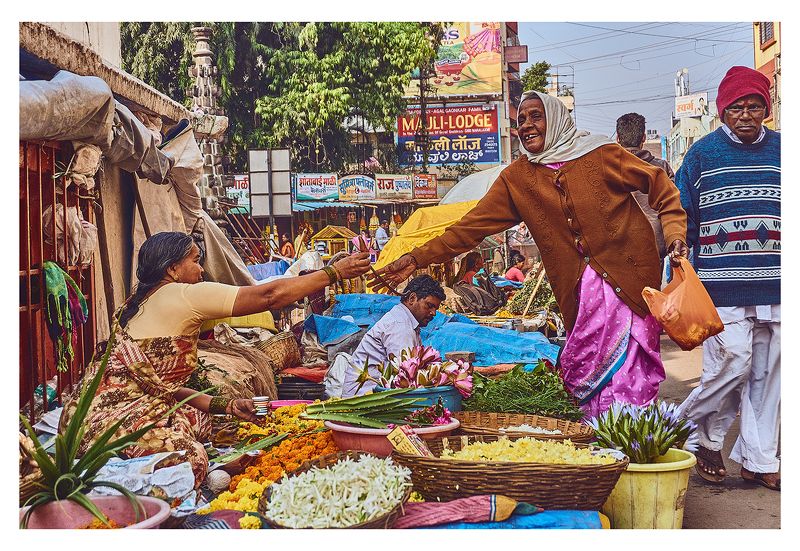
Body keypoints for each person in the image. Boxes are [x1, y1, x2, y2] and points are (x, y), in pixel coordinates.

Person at [371, 90, 689, 418]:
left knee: (630, 373)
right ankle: (599, 437)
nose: (526, 125)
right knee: (586, 374)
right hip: (579, 297)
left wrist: (675, 234)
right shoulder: (517, 178)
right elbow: (468, 228)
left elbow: (661, 185)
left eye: (536, 116)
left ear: (556, 119)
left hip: (631, 284)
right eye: (521, 119)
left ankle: (631, 438)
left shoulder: (601, 154)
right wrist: (416, 258)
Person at [58, 231, 371, 488]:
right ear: (172, 269)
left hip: (79, 421)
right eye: (195, 261)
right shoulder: (183, 293)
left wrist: (229, 406)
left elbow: (161, 389)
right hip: (106, 424)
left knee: (200, 419)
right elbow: (268, 296)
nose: (201, 270)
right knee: (192, 459)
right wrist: (333, 272)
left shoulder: (135, 302)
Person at [675, 66, 781, 491]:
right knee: (734, 362)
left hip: (777, 283)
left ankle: (760, 460)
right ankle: (684, 427)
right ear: (722, 111)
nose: (746, 114)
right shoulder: (702, 154)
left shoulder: (784, 150)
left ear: (766, 109)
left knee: (768, 376)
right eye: (736, 107)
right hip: (721, 285)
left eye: (754, 105)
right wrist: (678, 251)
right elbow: (681, 212)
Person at [340, 275, 446, 397]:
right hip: (363, 398)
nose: (433, 313)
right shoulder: (400, 325)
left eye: (435, 308)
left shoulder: (406, 321)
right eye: (429, 305)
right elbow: (407, 373)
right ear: (412, 298)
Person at [616, 112, 676, 259]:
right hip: (654, 248)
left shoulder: (608, 169)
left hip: (619, 249)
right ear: (644, 138)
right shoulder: (661, 168)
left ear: (617, 138)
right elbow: (673, 207)